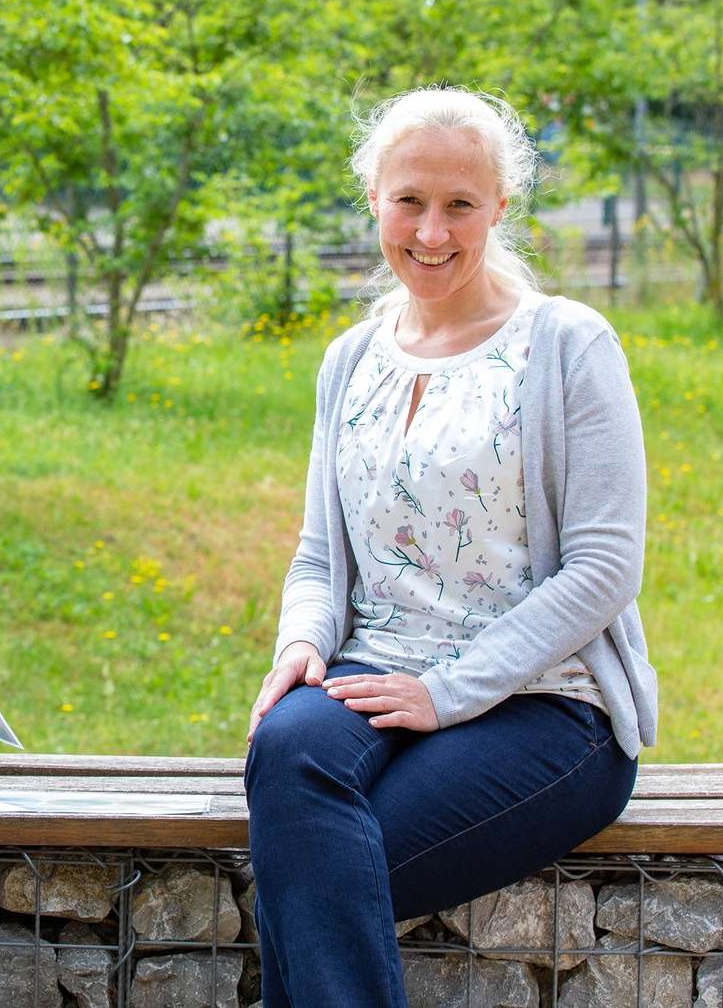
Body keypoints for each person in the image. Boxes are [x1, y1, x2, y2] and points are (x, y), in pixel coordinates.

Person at [243, 87, 657, 1007]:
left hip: (547, 703)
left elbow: (603, 568)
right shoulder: (353, 358)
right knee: (285, 749)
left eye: (460, 205)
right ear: (374, 199)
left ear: (501, 206)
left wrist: (446, 693)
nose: (432, 231)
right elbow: (319, 552)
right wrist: (303, 642)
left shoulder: (568, 346)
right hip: (371, 674)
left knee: (309, 874)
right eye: (410, 201)